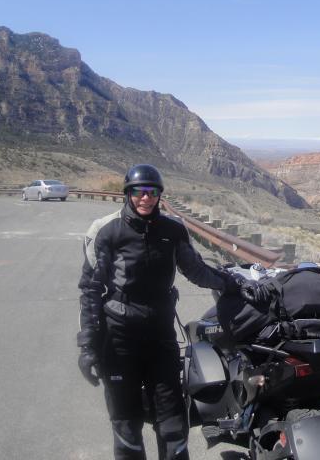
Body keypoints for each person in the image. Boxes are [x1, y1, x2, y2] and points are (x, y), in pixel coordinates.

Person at [77, 164, 243, 460]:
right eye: (138, 192)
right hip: (119, 340)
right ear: (127, 194)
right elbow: (91, 290)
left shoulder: (172, 230)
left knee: (172, 425)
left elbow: (196, 270)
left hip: (160, 337)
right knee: (126, 427)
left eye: (152, 192)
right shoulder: (107, 231)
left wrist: (232, 284)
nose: (145, 198)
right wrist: (88, 345)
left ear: (159, 195)